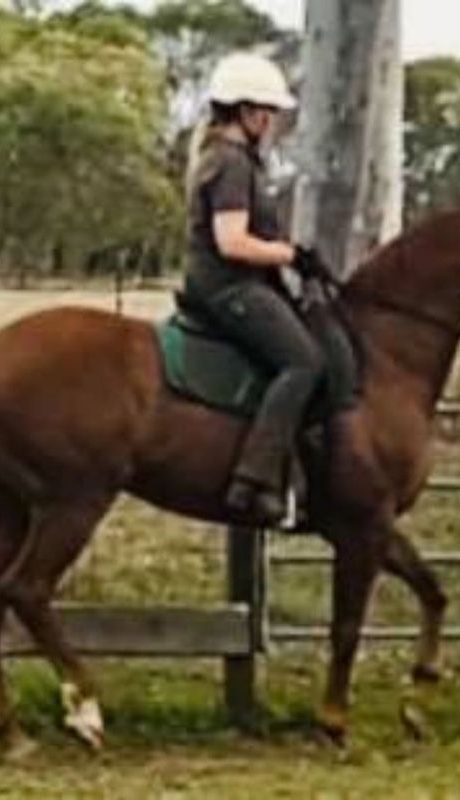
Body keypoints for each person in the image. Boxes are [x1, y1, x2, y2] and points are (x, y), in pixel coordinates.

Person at [184, 51, 326, 525]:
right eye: (267, 112)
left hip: (229, 283)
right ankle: (255, 478)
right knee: (303, 363)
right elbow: (232, 241)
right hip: (230, 288)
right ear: (246, 112)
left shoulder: (230, 159)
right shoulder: (232, 164)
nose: (271, 122)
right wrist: (291, 254)